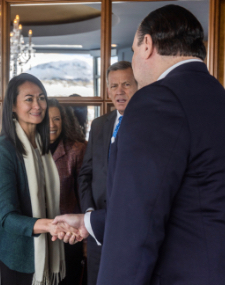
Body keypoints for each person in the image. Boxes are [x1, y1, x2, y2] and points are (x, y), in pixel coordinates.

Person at [52, 4, 225, 285]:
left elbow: (136, 225)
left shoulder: (158, 99)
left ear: (147, 45)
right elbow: (190, 205)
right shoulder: (223, 102)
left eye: (132, 49)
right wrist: (88, 222)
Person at [0, 73, 77, 285]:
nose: (38, 105)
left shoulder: (41, 147)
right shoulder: (3, 149)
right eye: (29, 99)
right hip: (12, 257)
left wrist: (59, 226)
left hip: (45, 251)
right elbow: (8, 217)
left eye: (42, 97)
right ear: (13, 106)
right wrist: (50, 226)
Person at [77, 61, 137, 285]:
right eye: (113, 86)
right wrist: (90, 212)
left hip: (132, 233)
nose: (119, 91)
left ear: (138, 85)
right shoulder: (100, 125)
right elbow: (86, 174)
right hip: (97, 235)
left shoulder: (149, 124)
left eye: (126, 84)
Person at [48, 98, 87, 285]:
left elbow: (85, 198)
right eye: (47, 119)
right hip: (40, 236)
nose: (52, 125)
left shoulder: (77, 150)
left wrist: (87, 241)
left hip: (69, 238)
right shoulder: (30, 151)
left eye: (57, 119)